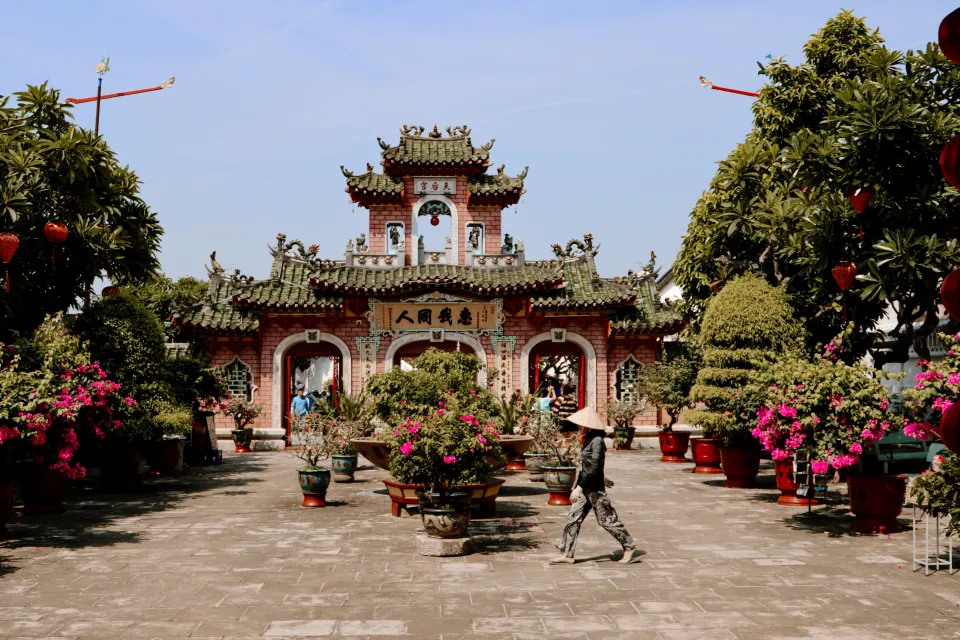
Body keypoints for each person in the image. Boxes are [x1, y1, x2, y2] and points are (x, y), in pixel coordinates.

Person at [551, 406, 636, 565]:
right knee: (573, 518)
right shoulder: (587, 438)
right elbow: (587, 466)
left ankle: (629, 545)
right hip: (585, 486)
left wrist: (580, 487)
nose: (579, 427)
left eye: (582, 424)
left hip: (594, 489)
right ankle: (567, 553)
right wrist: (585, 484)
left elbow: (595, 466)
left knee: (606, 520)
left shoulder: (597, 441)